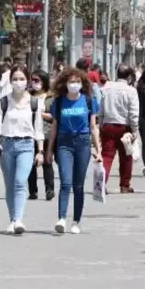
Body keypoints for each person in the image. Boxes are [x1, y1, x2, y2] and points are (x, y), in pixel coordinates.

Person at [46, 67, 102, 234]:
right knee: (65, 182)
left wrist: (98, 151)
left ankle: (76, 221)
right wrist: (49, 150)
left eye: (77, 82)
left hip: (83, 142)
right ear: (65, 83)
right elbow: (54, 127)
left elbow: (93, 127)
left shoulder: (89, 101)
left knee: (78, 185)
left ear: (83, 83)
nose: (74, 85)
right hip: (64, 142)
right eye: (71, 82)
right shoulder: (59, 102)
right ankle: (62, 218)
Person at [0, 65, 44, 235]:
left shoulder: (35, 103)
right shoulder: (4, 102)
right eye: (15, 79)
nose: (18, 82)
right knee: (10, 184)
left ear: (27, 80)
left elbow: (39, 130)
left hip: (26, 145)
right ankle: (13, 219)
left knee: (21, 182)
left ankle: (19, 220)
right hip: (6, 145)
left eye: (21, 79)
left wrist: (40, 151)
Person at [99, 64, 140, 193]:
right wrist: (135, 130)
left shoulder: (106, 89)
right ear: (129, 77)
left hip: (108, 125)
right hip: (124, 127)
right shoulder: (131, 91)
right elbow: (133, 113)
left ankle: (100, 184)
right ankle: (125, 185)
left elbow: (100, 110)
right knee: (127, 156)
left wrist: (101, 126)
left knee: (107, 156)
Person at [28, 70, 55, 201]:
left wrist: (39, 114)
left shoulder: (51, 97)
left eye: (37, 80)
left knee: (47, 162)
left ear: (44, 81)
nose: (34, 83)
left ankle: (49, 189)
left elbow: (54, 116)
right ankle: (32, 191)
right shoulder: (27, 96)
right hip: (30, 133)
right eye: (32, 80)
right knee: (30, 163)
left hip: (46, 133)